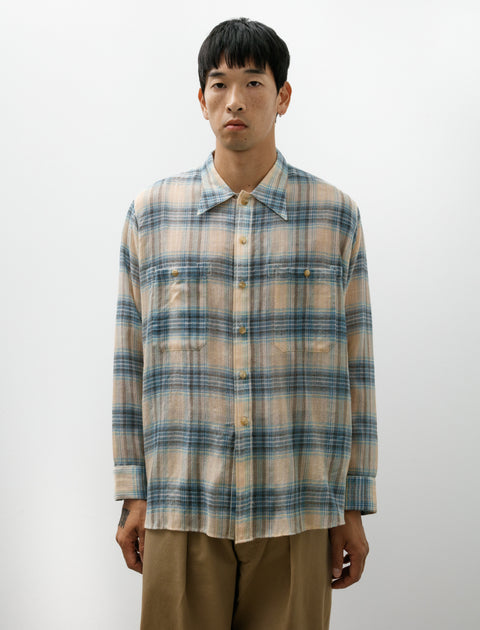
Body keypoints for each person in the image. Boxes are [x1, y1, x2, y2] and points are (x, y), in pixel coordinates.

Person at [112, 17, 378, 630]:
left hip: (298, 502)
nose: (235, 100)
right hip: (181, 501)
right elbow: (130, 361)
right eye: (220, 83)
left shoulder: (334, 216)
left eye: (253, 83)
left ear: (282, 97)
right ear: (201, 98)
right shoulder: (151, 215)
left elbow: (356, 367)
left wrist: (353, 502)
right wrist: (133, 490)